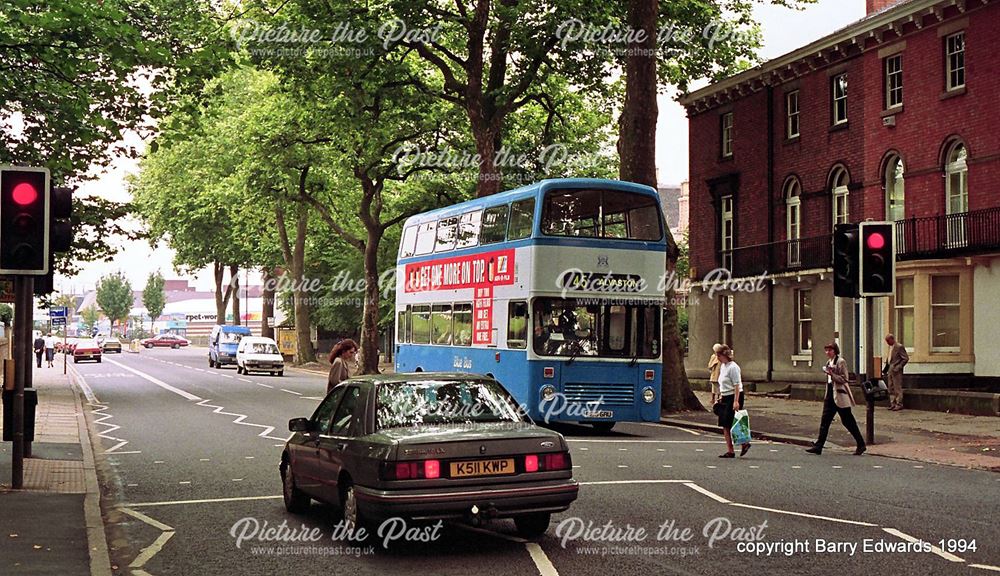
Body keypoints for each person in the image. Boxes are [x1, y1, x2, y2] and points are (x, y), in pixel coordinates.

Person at [806, 342, 866, 456]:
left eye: (830, 350)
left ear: (835, 351)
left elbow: (844, 379)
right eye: (826, 350)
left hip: (839, 395)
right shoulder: (829, 362)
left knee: (848, 421)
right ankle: (819, 446)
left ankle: (861, 444)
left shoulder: (841, 362)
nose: (827, 352)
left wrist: (831, 374)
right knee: (825, 421)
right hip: (830, 394)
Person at [715, 345, 750, 458]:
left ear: (724, 355)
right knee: (725, 424)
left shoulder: (733, 367)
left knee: (733, 423)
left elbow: (736, 385)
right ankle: (731, 450)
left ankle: (744, 443)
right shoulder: (723, 366)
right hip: (725, 396)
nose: (717, 358)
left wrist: (736, 401)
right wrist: (720, 395)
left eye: (718, 355)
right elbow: (722, 382)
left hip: (734, 396)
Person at [883, 334, 909, 411]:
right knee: (890, 387)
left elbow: (905, 358)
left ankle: (899, 403)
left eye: (888, 341)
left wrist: (899, 367)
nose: (887, 343)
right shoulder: (890, 347)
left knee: (897, 387)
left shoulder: (899, 347)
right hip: (890, 368)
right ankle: (892, 403)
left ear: (892, 339)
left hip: (896, 369)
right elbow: (889, 358)